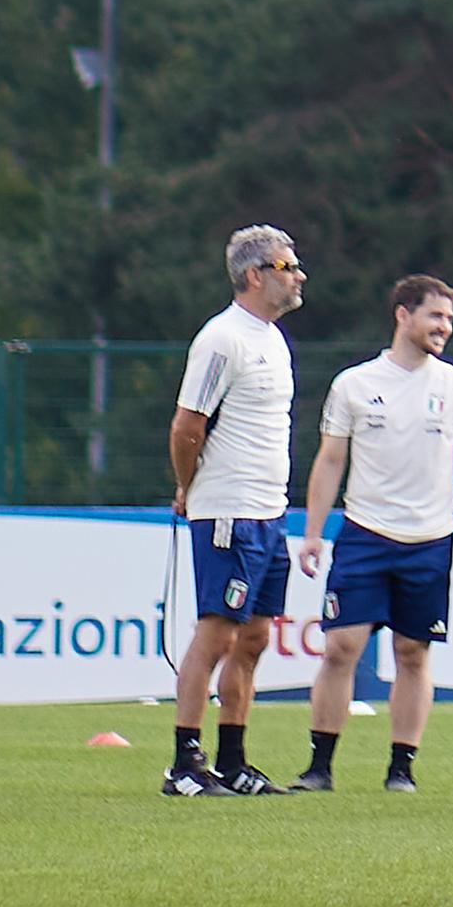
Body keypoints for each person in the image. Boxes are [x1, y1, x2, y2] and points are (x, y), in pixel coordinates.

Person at [293, 275, 453, 794]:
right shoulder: (354, 384)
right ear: (403, 316)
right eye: (435, 316)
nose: (444, 327)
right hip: (364, 534)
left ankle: (401, 768)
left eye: (449, 318)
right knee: (341, 646)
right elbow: (331, 459)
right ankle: (320, 766)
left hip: (430, 540)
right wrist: (313, 533)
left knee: (413, 652)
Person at [165, 226, 306, 796]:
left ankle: (233, 759)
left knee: (253, 640)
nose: (297, 276)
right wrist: (188, 486)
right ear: (255, 275)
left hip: (269, 513)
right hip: (229, 509)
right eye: (286, 265)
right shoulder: (222, 338)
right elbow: (186, 426)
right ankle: (183, 763)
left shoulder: (271, 337)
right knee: (216, 635)